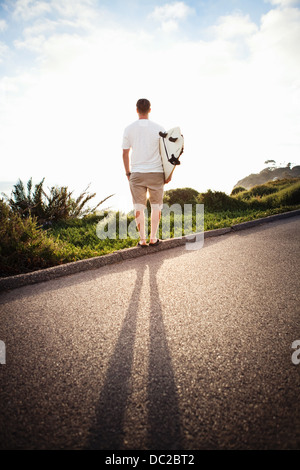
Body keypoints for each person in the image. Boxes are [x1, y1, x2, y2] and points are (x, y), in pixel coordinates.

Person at [122, 98, 170, 247]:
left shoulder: (129, 129)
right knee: (156, 207)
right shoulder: (159, 128)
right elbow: (167, 154)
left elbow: (124, 154)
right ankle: (153, 238)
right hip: (156, 173)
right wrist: (168, 174)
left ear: (137, 110)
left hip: (136, 174)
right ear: (150, 109)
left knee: (139, 207)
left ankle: (142, 240)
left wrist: (128, 173)